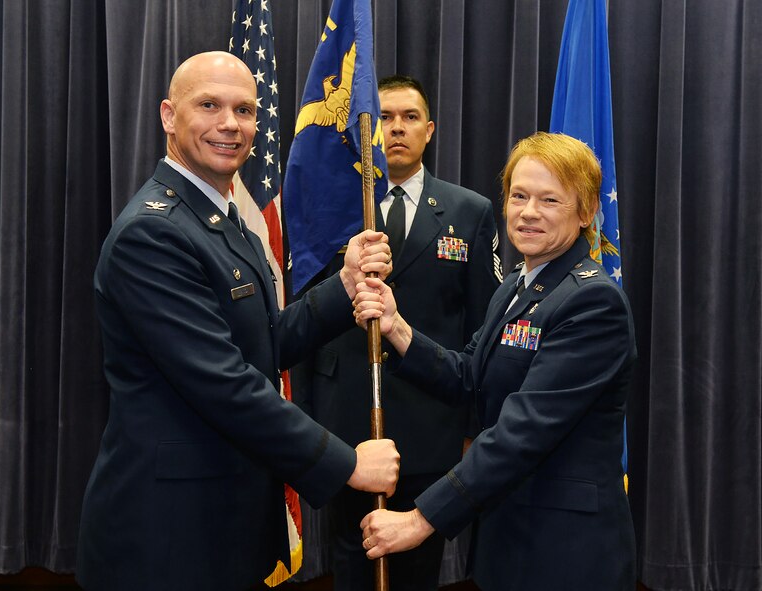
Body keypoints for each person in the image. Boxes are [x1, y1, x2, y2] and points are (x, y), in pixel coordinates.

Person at [76, 51, 400, 591]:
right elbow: (224, 383)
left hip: (223, 519)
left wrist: (343, 288)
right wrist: (345, 464)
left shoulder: (223, 220)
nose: (231, 124)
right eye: (209, 105)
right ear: (167, 115)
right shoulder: (153, 234)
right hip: (170, 535)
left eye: (245, 110)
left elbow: (262, 343)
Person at [353, 132, 637, 590]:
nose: (528, 212)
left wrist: (421, 518)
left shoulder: (593, 302)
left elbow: (522, 430)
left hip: (564, 549)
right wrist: (396, 327)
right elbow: (470, 376)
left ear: (586, 213)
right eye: (519, 195)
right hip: (510, 529)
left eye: (550, 200)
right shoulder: (517, 286)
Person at [291, 75, 501, 591]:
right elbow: (304, 319)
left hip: (431, 422)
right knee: (350, 557)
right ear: (366, 131)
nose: (396, 129)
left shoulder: (468, 212)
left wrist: (473, 426)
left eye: (409, 118)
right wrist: (306, 417)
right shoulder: (331, 210)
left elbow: (481, 327)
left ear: (429, 131)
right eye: (383, 118)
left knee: (417, 565)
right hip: (344, 423)